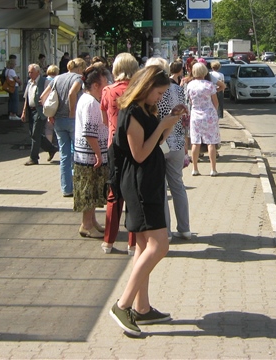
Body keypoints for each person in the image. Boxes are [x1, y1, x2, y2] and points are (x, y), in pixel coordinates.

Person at [108, 65, 185, 337]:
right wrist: (162, 126)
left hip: (149, 183)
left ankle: (142, 308)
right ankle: (123, 305)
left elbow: (155, 143)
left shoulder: (144, 110)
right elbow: (139, 154)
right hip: (140, 186)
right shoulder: (131, 113)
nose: (160, 98)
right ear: (145, 87)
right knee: (160, 245)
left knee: (143, 246)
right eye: (159, 92)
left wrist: (168, 123)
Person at [146, 57, 191, 241]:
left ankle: (166, 232)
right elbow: (185, 116)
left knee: (161, 189)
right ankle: (185, 228)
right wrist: (186, 140)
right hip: (178, 143)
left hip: (159, 143)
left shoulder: (153, 92)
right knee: (178, 185)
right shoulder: (178, 89)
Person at [100, 53, 139, 254]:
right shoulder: (140, 91)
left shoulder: (108, 91)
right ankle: (133, 244)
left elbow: (105, 121)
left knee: (114, 193)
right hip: (136, 145)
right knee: (133, 193)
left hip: (114, 145)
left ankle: (109, 241)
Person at [73, 64, 109, 238]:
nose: (107, 86)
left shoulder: (88, 100)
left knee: (93, 190)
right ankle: (87, 224)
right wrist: (98, 154)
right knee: (89, 190)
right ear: (95, 85)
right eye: (104, 83)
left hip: (88, 154)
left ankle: (91, 221)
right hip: (89, 155)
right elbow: (89, 132)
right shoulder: (90, 103)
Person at [46, 57, 86, 196]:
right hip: (73, 120)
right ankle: (77, 185)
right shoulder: (79, 78)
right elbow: (72, 93)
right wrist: (72, 111)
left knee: (64, 155)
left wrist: (50, 113)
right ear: (80, 68)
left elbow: (44, 96)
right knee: (77, 153)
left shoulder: (57, 78)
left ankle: (66, 188)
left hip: (58, 120)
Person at [185, 62, 221, 176]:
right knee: (211, 143)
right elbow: (216, 102)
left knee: (195, 142)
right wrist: (213, 112)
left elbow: (190, 101)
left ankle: (195, 169)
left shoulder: (190, 85)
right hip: (209, 115)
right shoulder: (209, 85)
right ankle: (213, 169)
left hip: (195, 115)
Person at [21, 64, 58, 165]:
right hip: (31, 110)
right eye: (29, 72)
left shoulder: (44, 81)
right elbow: (26, 98)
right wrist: (24, 111)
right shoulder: (29, 83)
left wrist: (49, 109)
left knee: (35, 134)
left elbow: (51, 95)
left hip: (40, 111)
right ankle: (51, 148)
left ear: (38, 72)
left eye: (31, 72)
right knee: (33, 134)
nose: (29, 74)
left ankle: (34, 158)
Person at [39, 64, 60, 157]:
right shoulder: (58, 80)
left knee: (48, 128)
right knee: (58, 128)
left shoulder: (44, 80)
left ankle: (49, 147)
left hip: (47, 106)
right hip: (57, 106)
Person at [5, 56, 22, 120]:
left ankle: (10, 113)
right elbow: (16, 79)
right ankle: (14, 114)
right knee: (15, 100)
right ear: (12, 64)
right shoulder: (12, 71)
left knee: (11, 100)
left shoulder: (7, 70)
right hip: (14, 86)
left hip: (10, 87)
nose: (15, 65)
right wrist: (20, 82)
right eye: (14, 64)